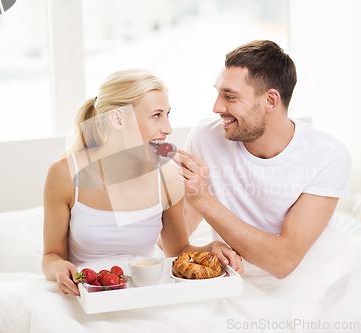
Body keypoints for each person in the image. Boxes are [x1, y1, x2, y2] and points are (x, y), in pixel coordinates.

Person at [42, 69, 241, 295]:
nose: (168, 129)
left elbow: (177, 251)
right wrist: (58, 267)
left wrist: (210, 249)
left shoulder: (169, 178)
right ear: (117, 119)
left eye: (168, 114)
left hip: (142, 294)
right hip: (84, 297)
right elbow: (51, 256)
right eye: (156, 115)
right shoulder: (65, 174)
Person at [177, 40, 351, 279]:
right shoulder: (205, 136)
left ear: (270, 100)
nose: (216, 107)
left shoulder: (327, 156)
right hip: (230, 276)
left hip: (308, 281)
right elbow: (180, 232)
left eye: (229, 96)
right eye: (218, 93)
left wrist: (204, 199)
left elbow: (284, 261)